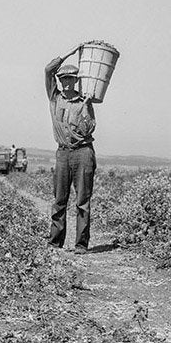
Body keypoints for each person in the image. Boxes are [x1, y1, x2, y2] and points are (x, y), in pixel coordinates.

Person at [44, 47, 96, 253]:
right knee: (59, 200)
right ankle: (55, 243)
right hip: (62, 153)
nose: (66, 83)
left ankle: (81, 245)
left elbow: (88, 129)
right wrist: (70, 52)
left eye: (70, 79)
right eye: (63, 79)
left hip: (83, 153)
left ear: (76, 81)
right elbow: (48, 70)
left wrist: (85, 107)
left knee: (82, 201)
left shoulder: (85, 101)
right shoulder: (55, 97)